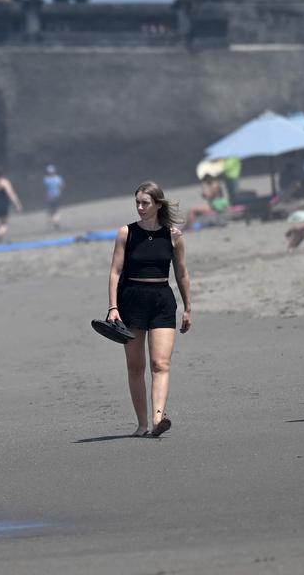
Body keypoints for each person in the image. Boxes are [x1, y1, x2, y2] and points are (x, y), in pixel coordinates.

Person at [106, 181, 192, 437]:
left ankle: (157, 420)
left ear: (157, 204)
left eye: (145, 203)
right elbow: (114, 272)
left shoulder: (173, 236)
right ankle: (142, 424)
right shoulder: (126, 233)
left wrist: (188, 307)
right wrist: (113, 307)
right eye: (138, 203)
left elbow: (182, 274)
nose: (140, 208)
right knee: (135, 366)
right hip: (131, 299)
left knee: (160, 363)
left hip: (162, 300)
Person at [43, 164, 65, 230]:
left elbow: (45, 187)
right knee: (56, 210)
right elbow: (62, 186)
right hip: (57, 195)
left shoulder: (46, 179)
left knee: (51, 210)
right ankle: (56, 222)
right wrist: (59, 191)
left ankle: (54, 222)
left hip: (49, 196)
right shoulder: (58, 178)